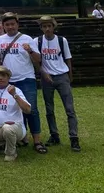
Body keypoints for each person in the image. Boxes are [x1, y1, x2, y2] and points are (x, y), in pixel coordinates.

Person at [0, 12, 46, 154]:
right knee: (14, 111)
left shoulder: (27, 39)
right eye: (7, 24)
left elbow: (38, 59)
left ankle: (37, 140)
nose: (10, 27)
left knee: (31, 109)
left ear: (17, 24)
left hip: (26, 79)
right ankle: (23, 137)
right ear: (3, 26)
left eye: (12, 24)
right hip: (9, 81)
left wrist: (29, 51)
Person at [35, 16, 80, 152]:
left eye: (49, 26)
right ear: (41, 28)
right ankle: (54, 135)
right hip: (46, 77)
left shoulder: (61, 40)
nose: (47, 29)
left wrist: (69, 77)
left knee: (69, 108)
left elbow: (68, 59)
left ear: (53, 26)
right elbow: (36, 60)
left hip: (61, 75)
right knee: (49, 109)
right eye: (44, 26)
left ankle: (74, 137)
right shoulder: (37, 41)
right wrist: (43, 73)